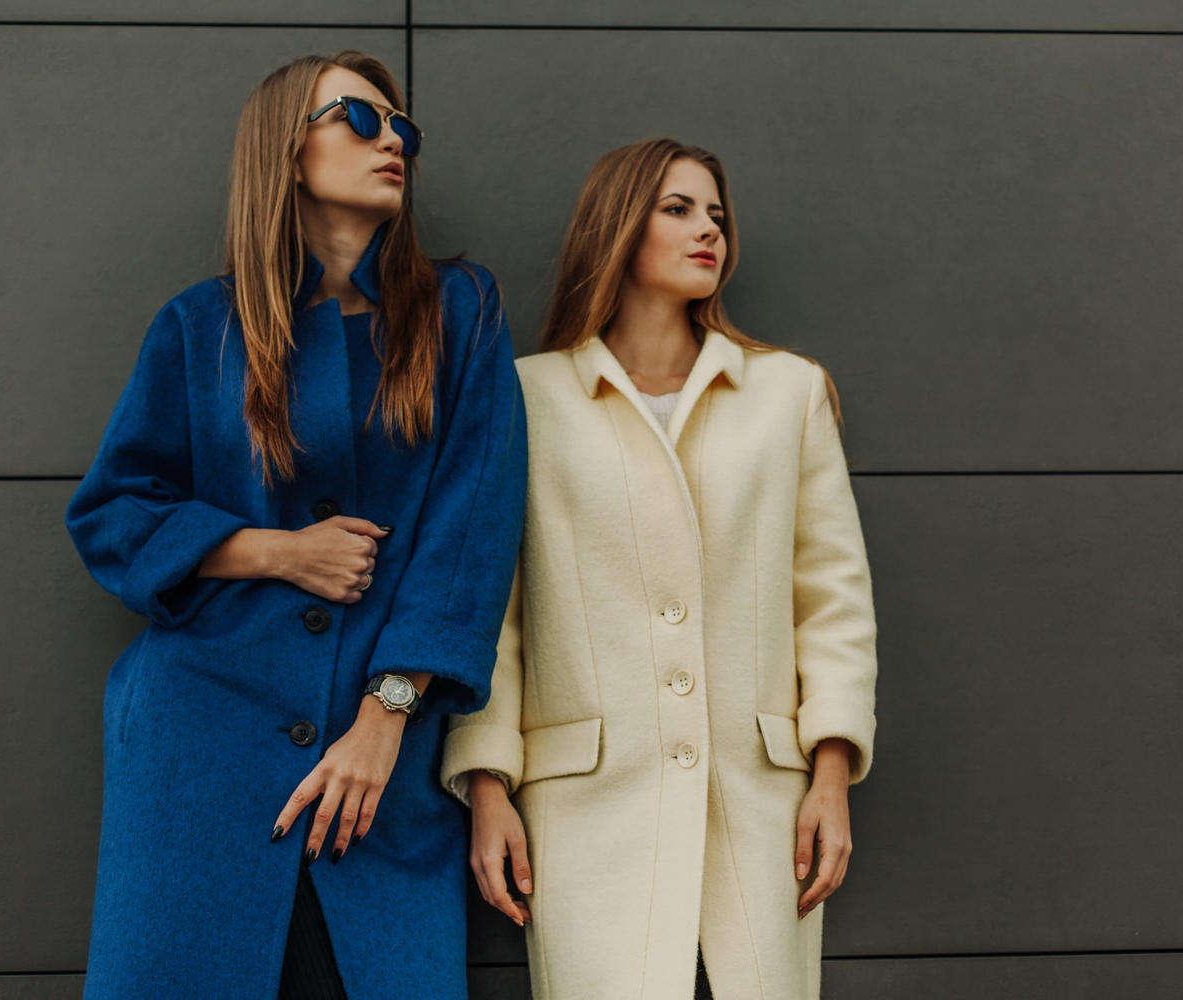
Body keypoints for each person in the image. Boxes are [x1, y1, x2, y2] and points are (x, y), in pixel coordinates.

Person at [65, 50, 525, 1000]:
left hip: (378, 759)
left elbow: (470, 534)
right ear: (287, 148)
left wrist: (386, 717)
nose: (392, 139)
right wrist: (281, 552)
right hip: (201, 748)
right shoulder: (199, 327)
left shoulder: (461, 312)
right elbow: (112, 512)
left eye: (402, 126)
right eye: (358, 118)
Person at [441, 138, 879, 999]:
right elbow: (497, 615)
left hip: (761, 809)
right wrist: (487, 784)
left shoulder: (788, 394)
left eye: (716, 213)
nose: (708, 229)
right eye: (677, 209)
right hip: (587, 815)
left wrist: (832, 774)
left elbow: (832, 601)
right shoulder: (527, 398)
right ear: (615, 225)